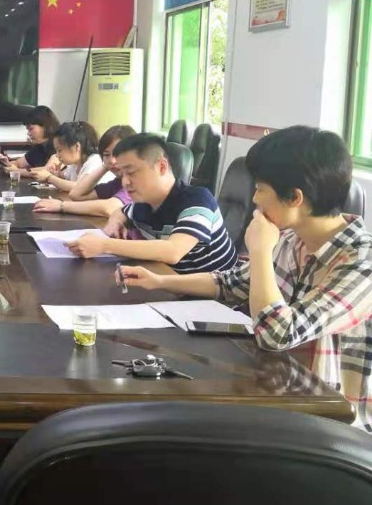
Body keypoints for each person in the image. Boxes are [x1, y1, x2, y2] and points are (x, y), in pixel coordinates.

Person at [120, 126, 372, 432]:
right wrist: (159, 282)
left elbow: (278, 334)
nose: (254, 198)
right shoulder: (292, 240)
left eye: (261, 189)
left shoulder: (362, 263)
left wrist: (261, 251)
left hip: (334, 422)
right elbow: (230, 283)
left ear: (294, 197)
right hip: (278, 391)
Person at [67, 133, 238, 273]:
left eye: (131, 172)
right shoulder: (143, 203)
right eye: (122, 174)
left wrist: (104, 245)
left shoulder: (198, 200)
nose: (125, 182)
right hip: (169, 285)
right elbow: (120, 212)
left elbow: (173, 251)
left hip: (218, 297)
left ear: (162, 166)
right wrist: (115, 222)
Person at [34, 125, 136, 218]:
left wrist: (62, 206)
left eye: (117, 153)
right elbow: (76, 194)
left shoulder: (136, 182)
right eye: (106, 154)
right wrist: (105, 166)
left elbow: (108, 208)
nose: (113, 161)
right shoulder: (117, 182)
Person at [28, 121, 111, 193]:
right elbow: (65, 176)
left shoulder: (95, 161)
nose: (57, 155)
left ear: (77, 147)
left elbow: (80, 187)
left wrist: (49, 177)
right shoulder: (74, 164)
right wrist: (57, 174)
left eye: (59, 150)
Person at [0, 105, 60, 170]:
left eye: (31, 129)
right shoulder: (40, 147)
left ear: (45, 126)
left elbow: (45, 170)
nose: (28, 133)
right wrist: (7, 163)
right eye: (28, 130)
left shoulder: (59, 145)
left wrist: (16, 171)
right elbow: (18, 163)